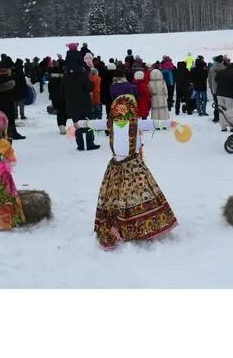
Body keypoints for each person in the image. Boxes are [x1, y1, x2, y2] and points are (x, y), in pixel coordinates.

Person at [79, 94, 178, 250]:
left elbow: (151, 123)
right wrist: (80, 123)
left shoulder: (134, 124)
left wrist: (168, 122)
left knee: (136, 193)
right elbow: (94, 123)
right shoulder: (111, 123)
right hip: (117, 168)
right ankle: (122, 224)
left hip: (133, 167)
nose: (120, 111)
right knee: (118, 196)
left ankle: (141, 225)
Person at [0, 66, 25, 140]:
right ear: (8, 74)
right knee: (7, 139)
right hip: (8, 114)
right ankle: (12, 135)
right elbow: (19, 95)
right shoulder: (11, 85)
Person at [65, 68, 99, 151]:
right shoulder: (83, 76)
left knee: (77, 125)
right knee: (88, 124)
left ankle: (80, 145)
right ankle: (90, 143)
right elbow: (90, 87)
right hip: (84, 105)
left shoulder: (66, 77)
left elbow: (62, 91)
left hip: (72, 105)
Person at [215, 61, 233, 132]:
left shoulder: (221, 72)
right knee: (230, 110)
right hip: (229, 94)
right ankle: (232, 127)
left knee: (221, 110)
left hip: (219, 93)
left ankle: (223, 127)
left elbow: (216, 80)